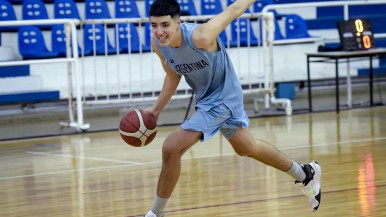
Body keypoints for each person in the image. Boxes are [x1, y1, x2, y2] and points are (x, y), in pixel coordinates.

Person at [144, 0, 321, 216]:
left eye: (165, 25)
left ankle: (155, 214)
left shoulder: (201, 37)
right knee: (246, 147)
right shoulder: (158, 44)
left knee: (171, 148)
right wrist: (155, 110)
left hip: (224, 99)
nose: (159, 31)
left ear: (178, 22)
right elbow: (173, 75)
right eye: (154, 25)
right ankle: (304, 173)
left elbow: (234, 10)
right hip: (207, 99)